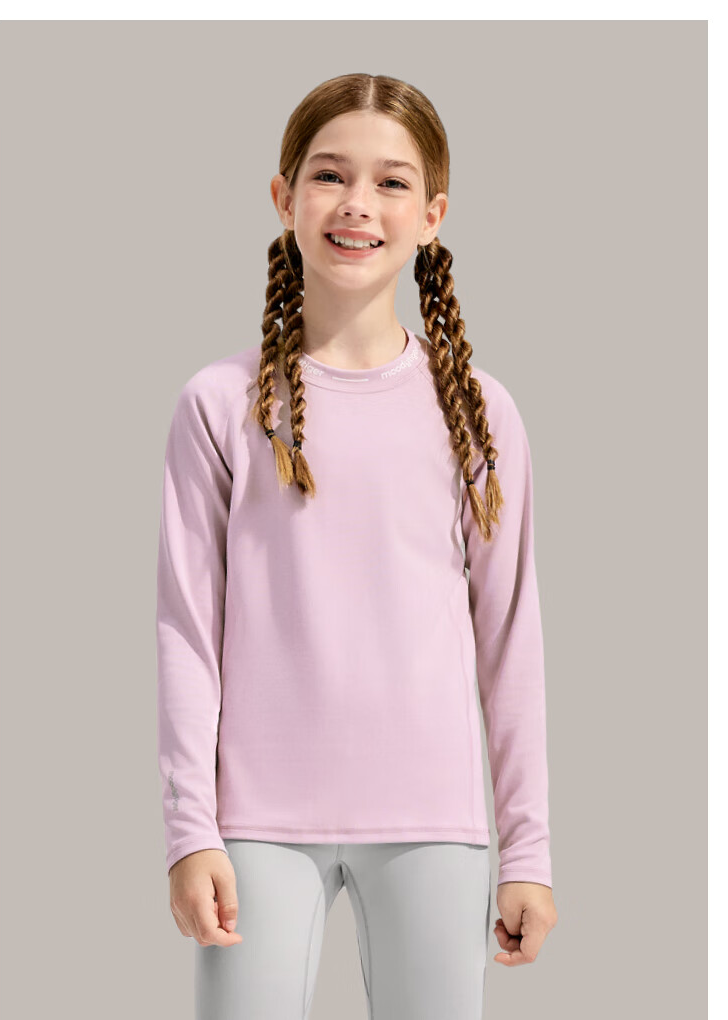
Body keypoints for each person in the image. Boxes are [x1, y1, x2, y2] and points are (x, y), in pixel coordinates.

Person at [156, 72, 558, 1020]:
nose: (357, 204)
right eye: (330, 175)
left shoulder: (478, 412)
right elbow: (187, 629)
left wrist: (529, 851)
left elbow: (510, 639)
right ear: (284, 196)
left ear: (433, 215)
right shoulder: (219, 403)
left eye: (391, 182)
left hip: (433, 819)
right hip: (255, 822)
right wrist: (190, 833)